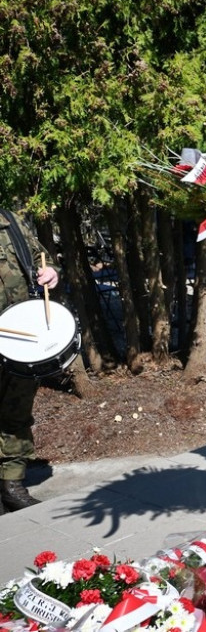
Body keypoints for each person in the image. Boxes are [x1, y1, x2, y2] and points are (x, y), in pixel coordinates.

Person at [0, 209, 60, 513]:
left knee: (17, 410)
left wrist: (50, 272)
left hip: (21, 340)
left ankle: (12, 483)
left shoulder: (12, 220)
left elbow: (41, 258)